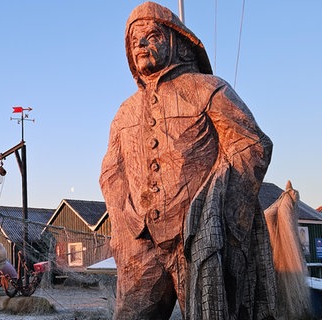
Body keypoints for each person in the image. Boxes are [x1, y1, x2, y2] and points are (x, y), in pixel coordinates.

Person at [99, 2, 276, 319]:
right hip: (142, 248)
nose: (141, 44)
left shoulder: (207, 89)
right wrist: (127, 221)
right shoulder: (123, 112)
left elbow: (251, 144)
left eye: (151, 36)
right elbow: (111, 172)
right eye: (134, 40)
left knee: (213, 312)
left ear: (175, 40)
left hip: (197, 240)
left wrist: (217, 208)